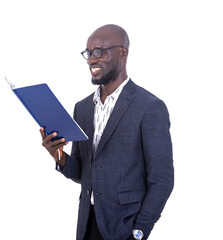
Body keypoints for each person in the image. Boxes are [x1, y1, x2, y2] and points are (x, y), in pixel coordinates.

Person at [40, 24, 174, 240]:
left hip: (125, 227)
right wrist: (58, 156)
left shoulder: (149, 107)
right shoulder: (82, 108)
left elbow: (162, 180)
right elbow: (83, 174)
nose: (92, 59)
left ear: (123, 53)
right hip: (87, 224)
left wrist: (140, 231)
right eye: (89, 53)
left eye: (100, 52)